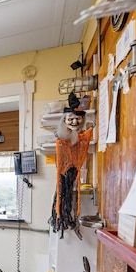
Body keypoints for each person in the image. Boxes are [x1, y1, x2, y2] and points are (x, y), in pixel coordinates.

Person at [49, 92, 94, 238]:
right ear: (65, 120)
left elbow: (85, 137)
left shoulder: (82, 137)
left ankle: (65, 218)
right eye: (71, 119)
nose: (74, 121)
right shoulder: (61, 140)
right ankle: (62, 217)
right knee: (63, 194)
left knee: (66, 195)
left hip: (73, 170)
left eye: (77, 119)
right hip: (64, 172)